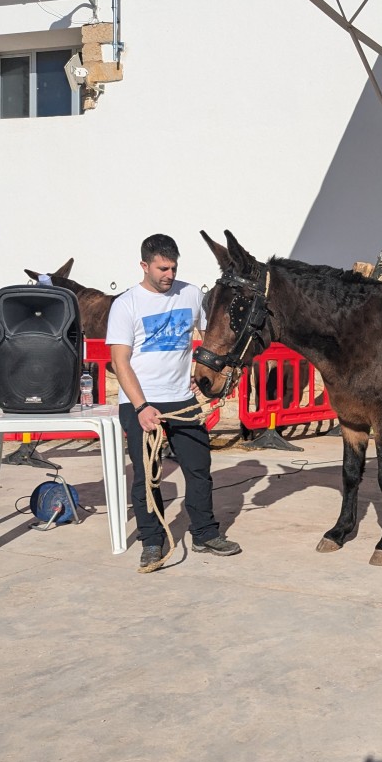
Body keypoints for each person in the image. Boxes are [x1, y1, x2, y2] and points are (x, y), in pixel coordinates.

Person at [106, 234, 242, 571]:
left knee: (199, 470)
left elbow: (210, 336)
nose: (169, 274)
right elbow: (121, 362)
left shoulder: (192, 293)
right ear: (145, 266)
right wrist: (140, 407)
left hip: (182, 400)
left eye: (173, 267)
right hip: (142, 404)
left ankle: (205, 534)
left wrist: (205, 376)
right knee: (147, 476)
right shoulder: (126, 305)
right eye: (162, 268)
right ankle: (152, 541)